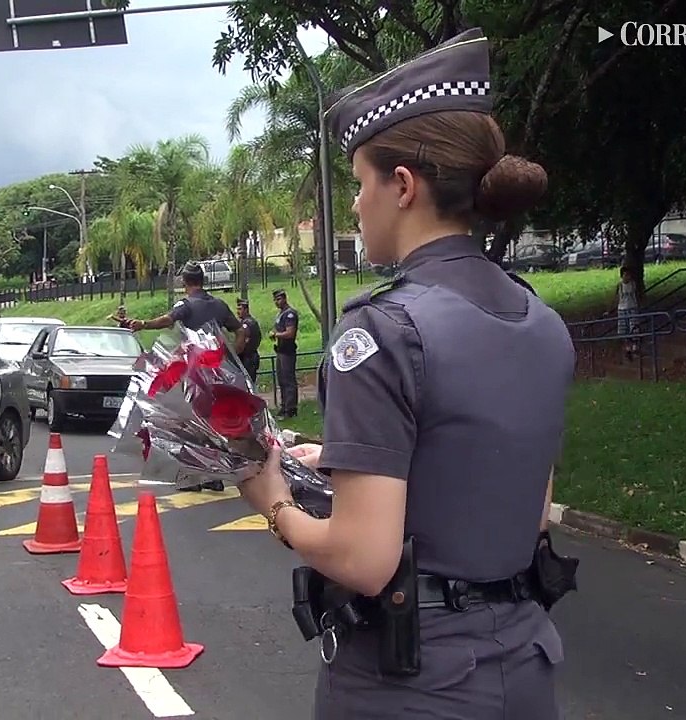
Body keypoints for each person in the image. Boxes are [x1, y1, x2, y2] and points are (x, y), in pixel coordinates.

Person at [237, 28, 576, 719]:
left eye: (360, 185)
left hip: (414, 686)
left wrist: (272, 500)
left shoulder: (380, 333)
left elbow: (363, 559)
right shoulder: (543, 322)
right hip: (524, 667)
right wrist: (341, 459)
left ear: (402, 186)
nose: (356, 205)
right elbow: (525, 504)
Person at [127, 261, 248, 492]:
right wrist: (235, 354)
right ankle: (214, 475)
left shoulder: (187, 304)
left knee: (190, 424)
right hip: (218, 373)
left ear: (185, 282)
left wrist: (143, 324)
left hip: (194, 374)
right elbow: (240, 330)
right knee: (213, 423)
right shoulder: (220, 305)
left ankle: (194, 477)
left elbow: (167, 320)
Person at [270, 289, 300, 417]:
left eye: (279, 299)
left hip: (288, 351)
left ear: (284, 298)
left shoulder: (290, 314)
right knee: (281, 380)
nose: (277, 302)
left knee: (288, 380)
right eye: (275, 300)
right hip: (280, 350)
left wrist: (276, 334)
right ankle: (284, 406)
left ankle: (291, 408)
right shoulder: (281, 314)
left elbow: (290, 333)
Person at [614, 266, 644, 359]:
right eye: (625, 275)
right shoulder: (619, 285)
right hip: (622, 309)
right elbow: (616, 298)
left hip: (632, 307)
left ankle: (635, 347)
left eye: (628, 275)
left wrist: (639, 304)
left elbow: (637, 295)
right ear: (622, 276)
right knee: (624, 329)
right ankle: (628, 349)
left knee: (634, 327)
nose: (627, 277)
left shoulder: (633, 284)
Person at [236, 298, 261, 383]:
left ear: (246, 310)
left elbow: (244, 341)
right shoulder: (251, 321)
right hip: (251, 356)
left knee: (248, 383)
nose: (238, 311)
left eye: (240, 309)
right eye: (237, 309)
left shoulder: (247, 324)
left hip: (248, 358)